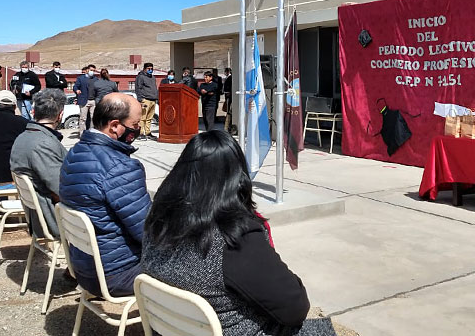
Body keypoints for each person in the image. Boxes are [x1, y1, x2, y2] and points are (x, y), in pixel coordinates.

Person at [142, 131, 336, 336]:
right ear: (237, 178)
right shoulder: (235, 238)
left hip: (169, 328)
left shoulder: (156, 219)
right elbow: (294, 308)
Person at [59, 93, 150, 297]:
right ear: (115, 126)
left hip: (84, 268)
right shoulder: (121, 167)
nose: (138, 129)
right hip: (118, 273)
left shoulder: (74, 153)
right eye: (135, 124)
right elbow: (148, 233)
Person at [10, 89, 67, 238]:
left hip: (36, 213)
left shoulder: (23, 136)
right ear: (60, 115)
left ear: (33, 111)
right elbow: (61, 189)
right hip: (50, 218)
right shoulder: (43, 143)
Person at [134, 62, 158, 141]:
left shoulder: (153, 77)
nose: (150, 70)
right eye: (148, 69)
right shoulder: (140, 77)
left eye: (151, 69)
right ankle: (140, 133)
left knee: (149, 118)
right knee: (143, 118)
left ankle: (148, 132)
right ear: (144, 69)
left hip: (153, 100)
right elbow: (138, 88)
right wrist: (140, 100)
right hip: (145, 100)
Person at [73, 65, 97, 136]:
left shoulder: (96, 79)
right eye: (91, 70)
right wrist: (77, 90)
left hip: (93, 101)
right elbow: (75, 86)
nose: (92, 72)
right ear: (87, 70)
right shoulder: (81, 78)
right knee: (83, 118)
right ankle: (82, 134)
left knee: (93, 118)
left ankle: (92, 133)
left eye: (93, 70)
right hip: (84, 101)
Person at [223, 68, 233, 133]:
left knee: (229, 110)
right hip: (227, 95)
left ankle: (228, 125)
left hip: (230, 96)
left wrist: (228, 92)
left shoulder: (230, 78)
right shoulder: (228, 78)